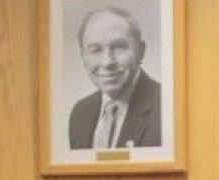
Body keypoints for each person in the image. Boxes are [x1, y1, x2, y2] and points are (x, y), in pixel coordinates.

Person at [68, 6, 163, 150]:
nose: (107, 62)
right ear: (83, 57)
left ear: (140, 51)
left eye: (119, 47)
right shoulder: (80, 113)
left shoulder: (166, 108)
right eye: (95, 50)